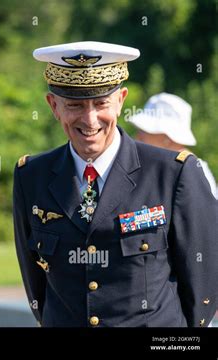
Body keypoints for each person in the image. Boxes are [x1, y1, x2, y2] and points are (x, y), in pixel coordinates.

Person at [13, 41, 218, 327]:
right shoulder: (31, 175)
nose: (90, 119)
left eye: (101, 103)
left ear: (121, 100)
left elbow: (202, 283)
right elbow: (36, 284)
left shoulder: (173, 174)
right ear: (53, 106)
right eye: (74, 105)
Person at [129, 92, 217, 199]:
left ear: (167, 138)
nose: (137, 136)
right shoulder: (162, 167)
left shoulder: (193, 173)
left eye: (144, 131)